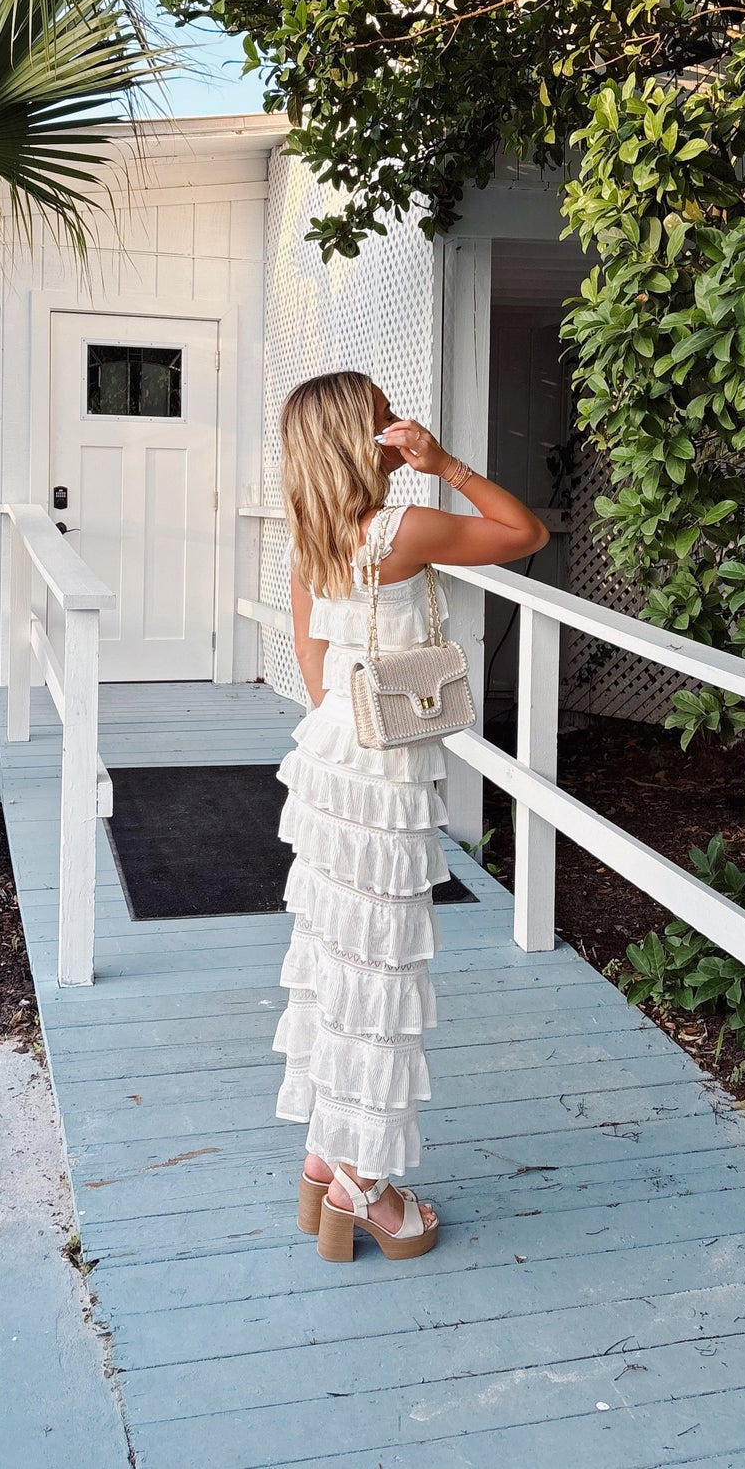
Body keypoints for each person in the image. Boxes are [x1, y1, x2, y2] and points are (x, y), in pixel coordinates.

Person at [272, 369, 549, 1261]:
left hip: (325, 760)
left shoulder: (311, 536)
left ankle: (323, 1158)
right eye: (385, 415)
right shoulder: (401, 528)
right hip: (382, 771)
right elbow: (524, 532)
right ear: (364, 436)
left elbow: (314, 662)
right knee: (381, 966)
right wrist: (447, 463)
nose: (398, 424)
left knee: (333, 954)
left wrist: (339, 724)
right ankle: (367, 1186)